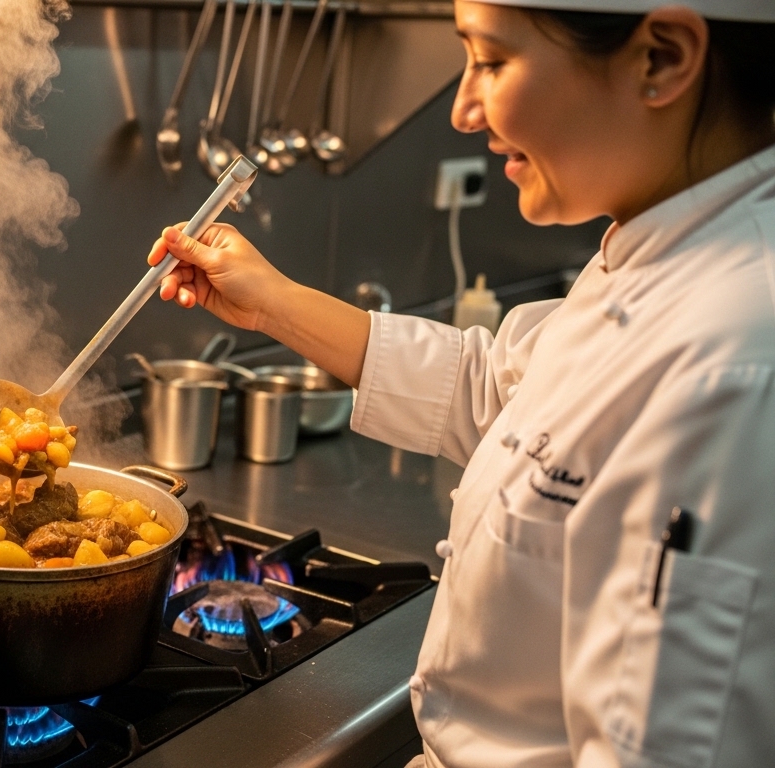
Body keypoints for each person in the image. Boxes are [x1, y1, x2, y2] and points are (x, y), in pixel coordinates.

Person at [147, 1, 775, 765]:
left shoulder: (734, 364)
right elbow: (504, 398)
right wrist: (273, 301)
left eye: (489, 60)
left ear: (662, 58)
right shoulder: (655, 254)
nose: (463, 112)